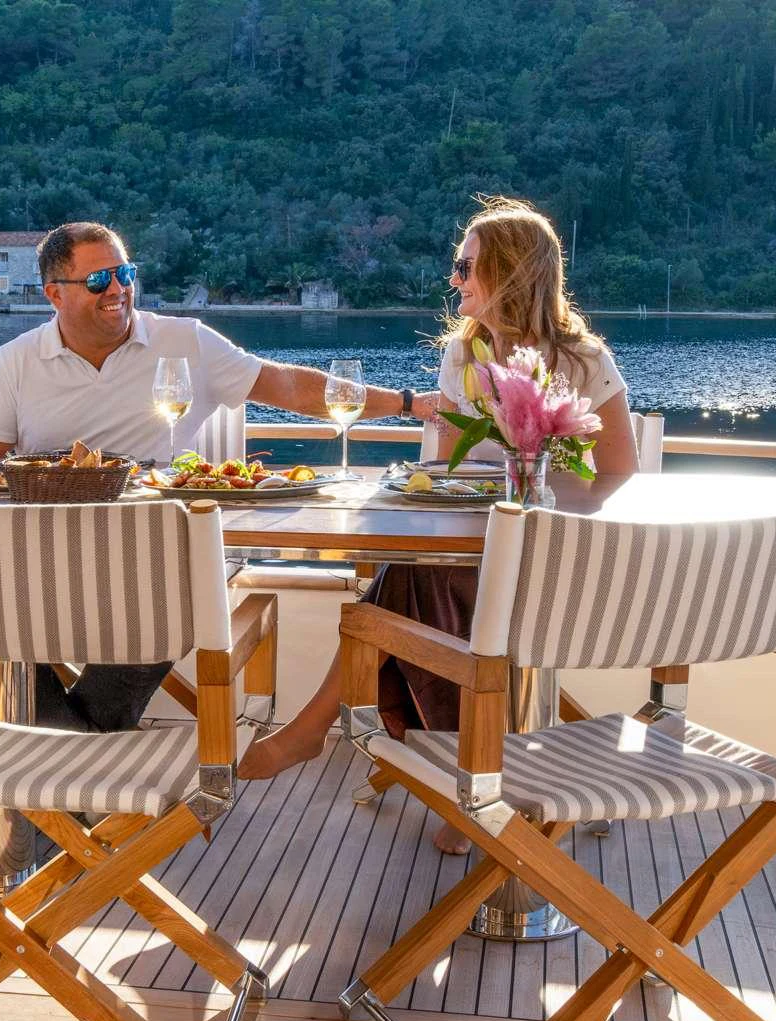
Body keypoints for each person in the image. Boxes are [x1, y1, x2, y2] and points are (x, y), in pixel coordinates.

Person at [237, 196, 642, 853]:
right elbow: (449, 470)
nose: (454, 279)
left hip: (556, 565)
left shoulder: (583, 360)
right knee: (417, 574)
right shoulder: (463, 353)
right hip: (470, 555)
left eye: (466, 266)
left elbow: (620, 471)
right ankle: (469, 781)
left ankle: (400, 759)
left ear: (510, 272)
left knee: (402, 590)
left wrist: (541, 490)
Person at [0, 221, 441, 733]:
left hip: (160, 557)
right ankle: (79, 747)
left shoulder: (185, 341)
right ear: (54, 294)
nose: (118, 289)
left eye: (125, 274)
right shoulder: (16, 362)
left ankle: (57, 748)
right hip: (49, 560)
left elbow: (289, 387)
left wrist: (408, 403)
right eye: (98, 280)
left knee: (157, 601)